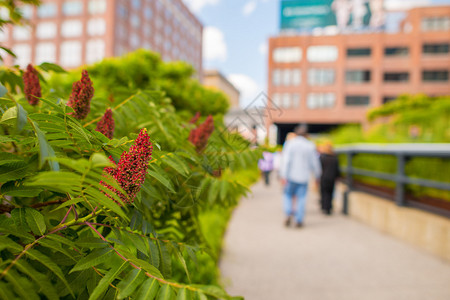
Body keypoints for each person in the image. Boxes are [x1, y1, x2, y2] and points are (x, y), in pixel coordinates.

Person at [280, 125, 321, 227]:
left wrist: (283, 175)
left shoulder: (290, 144)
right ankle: (299, 219)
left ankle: (289, 212)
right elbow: (314, 162)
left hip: (290, 176)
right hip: (303, 177)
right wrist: (317, 176)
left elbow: (286, 161)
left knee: (288, 195)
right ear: (306, 135)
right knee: (301, 198)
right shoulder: (310, 145)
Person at [319, 142, 341, 215]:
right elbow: (337, 170)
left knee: (324, 192)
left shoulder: (322, 158)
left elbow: (319, 168)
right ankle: (329, 207)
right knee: (330, 192)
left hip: (324, 177)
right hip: (332, 178)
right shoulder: (335, 158)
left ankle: (324, 206)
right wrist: (337, 177)